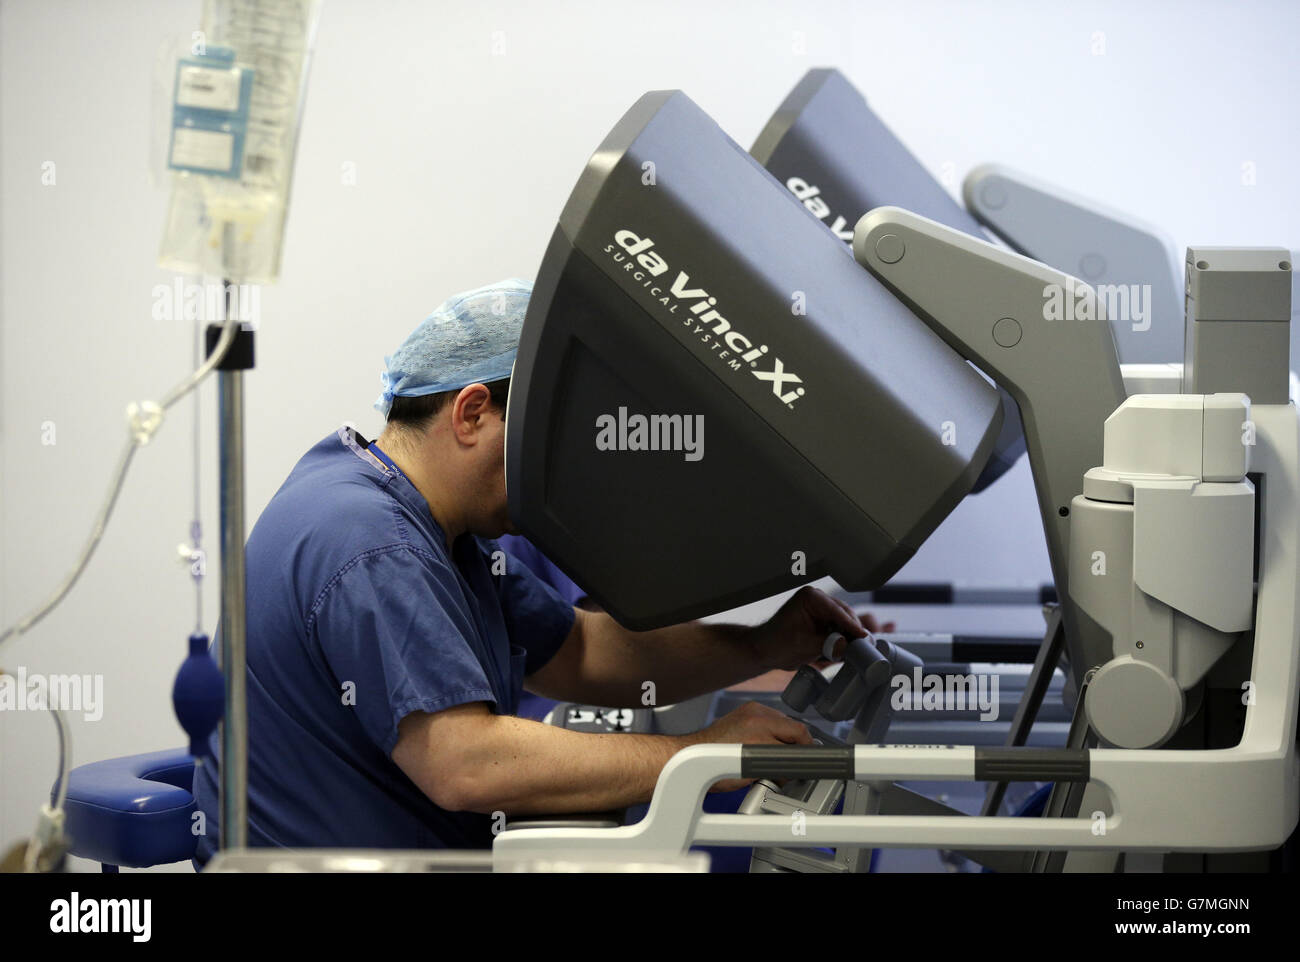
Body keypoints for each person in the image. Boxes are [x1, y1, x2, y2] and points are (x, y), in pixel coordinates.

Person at [192, 278, 884, 863]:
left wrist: (765, 643)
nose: (564, 480)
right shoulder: (374, 545)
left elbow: (582, 650)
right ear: (471, 413)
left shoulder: (435, 532)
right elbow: (466, 764)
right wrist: (700, 754)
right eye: (551, 449)